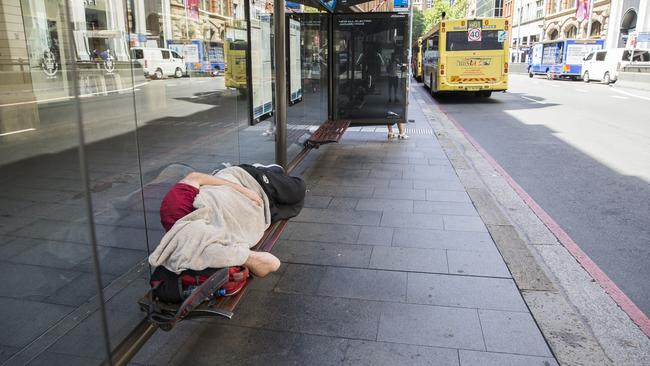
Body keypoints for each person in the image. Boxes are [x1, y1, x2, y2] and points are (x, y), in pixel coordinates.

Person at [149, 163, 306, 278]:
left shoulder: (173, 211)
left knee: (298, 190)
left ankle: (265, 169)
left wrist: (244, 190)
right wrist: (245, 262)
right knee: (294, 208)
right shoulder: (210, 248)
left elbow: (194, 177)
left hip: (247, 180)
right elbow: (268, 263)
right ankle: (273, 174)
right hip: (261, 211)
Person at [386, 54, 409, 140]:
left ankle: (391, 132)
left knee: (390, 112)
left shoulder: (394, 63)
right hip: (394, 79)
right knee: (399, 112)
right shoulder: (397, 64)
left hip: (393, 78)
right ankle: (402, 133)